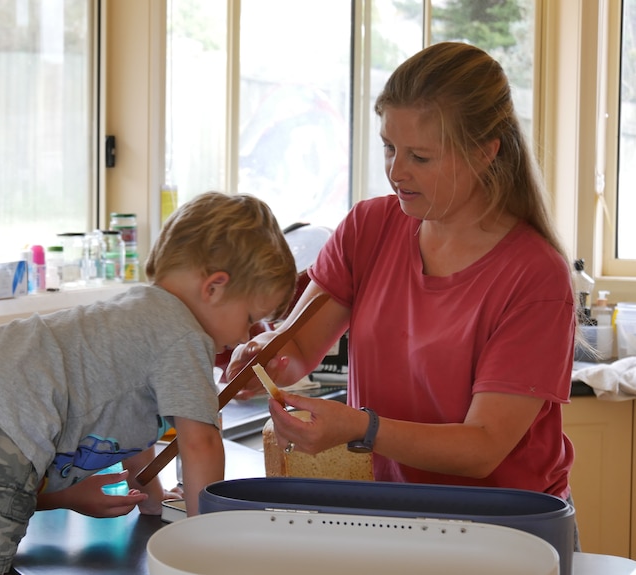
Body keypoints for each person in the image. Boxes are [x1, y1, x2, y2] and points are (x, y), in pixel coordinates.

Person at [229, 42, 577, 502]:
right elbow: (295, 347)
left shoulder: (535, 276)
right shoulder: (368, 227)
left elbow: (483, 448)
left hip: (506, 524)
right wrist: (264, 360)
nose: (396, 172)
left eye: (421, 157)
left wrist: (362, 427)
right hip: (389, 507)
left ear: (484, 152)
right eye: (389, 147)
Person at [0, 191, 297, 575]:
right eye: (249, 319)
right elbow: (200, 442)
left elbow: (133, 424)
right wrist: (208, 546)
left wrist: (151, 496)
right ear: (214, 287)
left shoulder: (134, 312)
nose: (246, 337)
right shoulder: (185, 335)